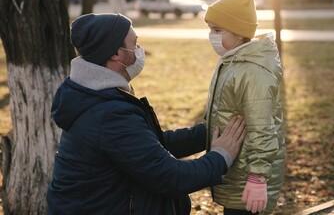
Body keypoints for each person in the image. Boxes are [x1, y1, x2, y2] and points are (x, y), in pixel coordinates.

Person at [46, 13, 247, 215]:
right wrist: (222, 156)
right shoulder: (109, 114)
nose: (139, 50)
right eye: (135, 44)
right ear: (116, 53)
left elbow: (148, 148)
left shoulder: (93, 95)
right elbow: (172, 178)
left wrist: (208, 132)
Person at [203, 0, 285, 215]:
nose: (212, 36)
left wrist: (258, 177)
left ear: (238, 32)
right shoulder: (232, 62)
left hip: (248, 178)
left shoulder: (252, 71)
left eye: (218, 30)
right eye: (210, 29)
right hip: (235, 168)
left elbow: (262, 128)